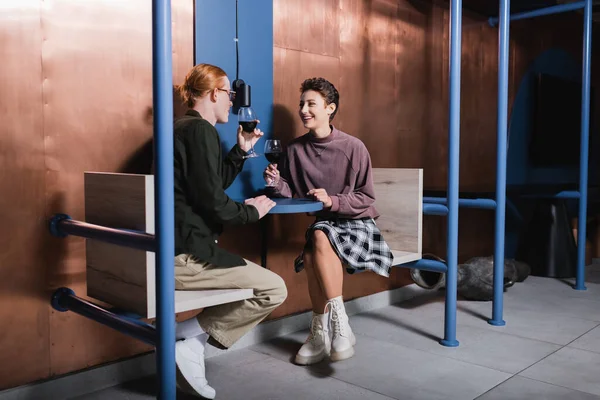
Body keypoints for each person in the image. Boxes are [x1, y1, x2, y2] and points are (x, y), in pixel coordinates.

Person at [171, 63, 288, 398]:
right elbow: (212, 200)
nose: (231, 103)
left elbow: (208, 184)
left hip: (173, 247)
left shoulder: (184, 128)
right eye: (229, 94)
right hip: (186, 255)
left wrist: (242, 150)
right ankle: (187, 338)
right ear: (213, 93)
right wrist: (252, 212)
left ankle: (187, 339)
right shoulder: (199, 131)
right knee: (274, 289)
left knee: (264, 285)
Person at [264, 77, 393, 365]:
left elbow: (366, 197)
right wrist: (275, 183)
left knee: (317, 238)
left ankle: (326, 329)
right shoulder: (295, 150)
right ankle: (332, 329)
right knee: (314, 246)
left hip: (356, 224)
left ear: (330, 108)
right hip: (325, 227)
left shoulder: (353, 147)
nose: (304, 110)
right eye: (301, 104)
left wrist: (332, 201)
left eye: (311, 104)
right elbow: (291, 191)